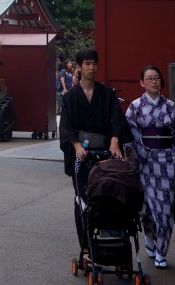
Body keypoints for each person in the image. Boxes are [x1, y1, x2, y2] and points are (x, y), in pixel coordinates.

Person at [59, 48, 131, 248]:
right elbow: (66, 124)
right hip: (81, 152)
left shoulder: (106, 94)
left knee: (109, 192)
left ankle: (112, 237)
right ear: (79, 67)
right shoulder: (71, 97)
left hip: (105, 151)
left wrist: (115, 140)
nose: (92, 67)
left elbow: (117, 117)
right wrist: (75, 145)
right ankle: (86, 244)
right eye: (88, 64)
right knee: (83, 197)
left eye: (95, 63)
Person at [125, 65, 175, 269]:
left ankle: (162, 252)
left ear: (161, 82)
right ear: (142, 82)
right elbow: (129, 134)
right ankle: (148, 237)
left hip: (166, 162)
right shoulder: (135, 107)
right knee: (145, 207)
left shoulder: (171, 107)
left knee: (164, 208)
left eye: (157, 78)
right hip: (143, 162)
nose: (154, 81)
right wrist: (137, 155)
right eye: (149, 78)